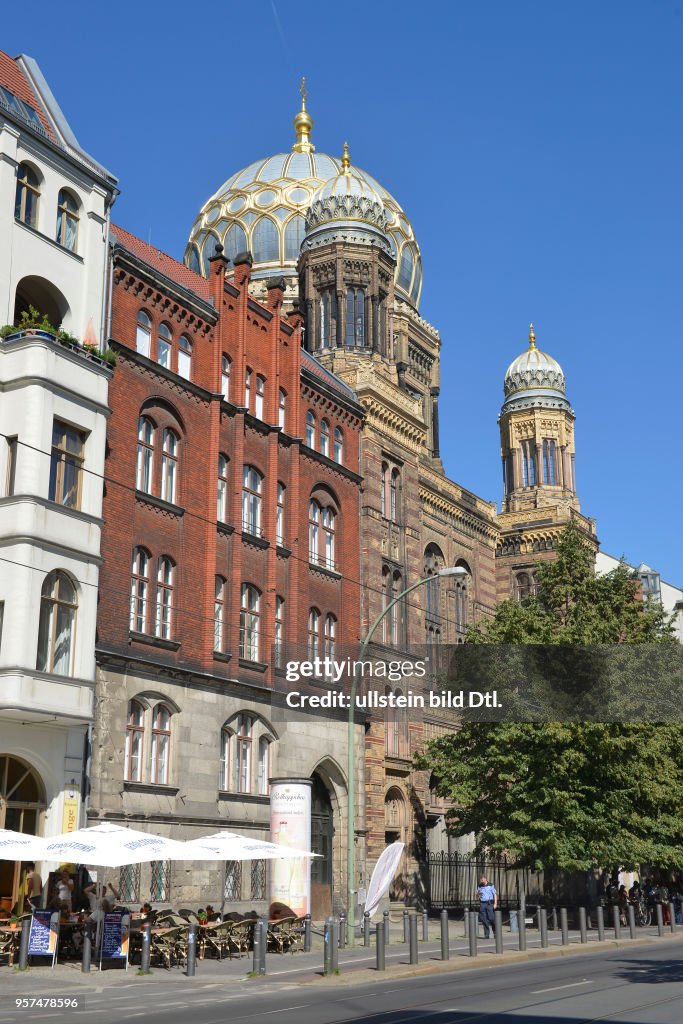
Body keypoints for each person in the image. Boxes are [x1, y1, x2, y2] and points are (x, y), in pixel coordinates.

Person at [476, 874, 497, 939]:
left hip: (489, 903)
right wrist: (478, 894)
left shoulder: (490, 885)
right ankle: (486, 934)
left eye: (482, 879)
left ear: (485, 879)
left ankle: (495, 931)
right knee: (484, 919)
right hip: (482, 903)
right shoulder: (479, 886)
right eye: (481, 880)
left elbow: (495, 894)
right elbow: (477, 896)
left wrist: (495, 903)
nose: (481, 881)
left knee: (491, 918)